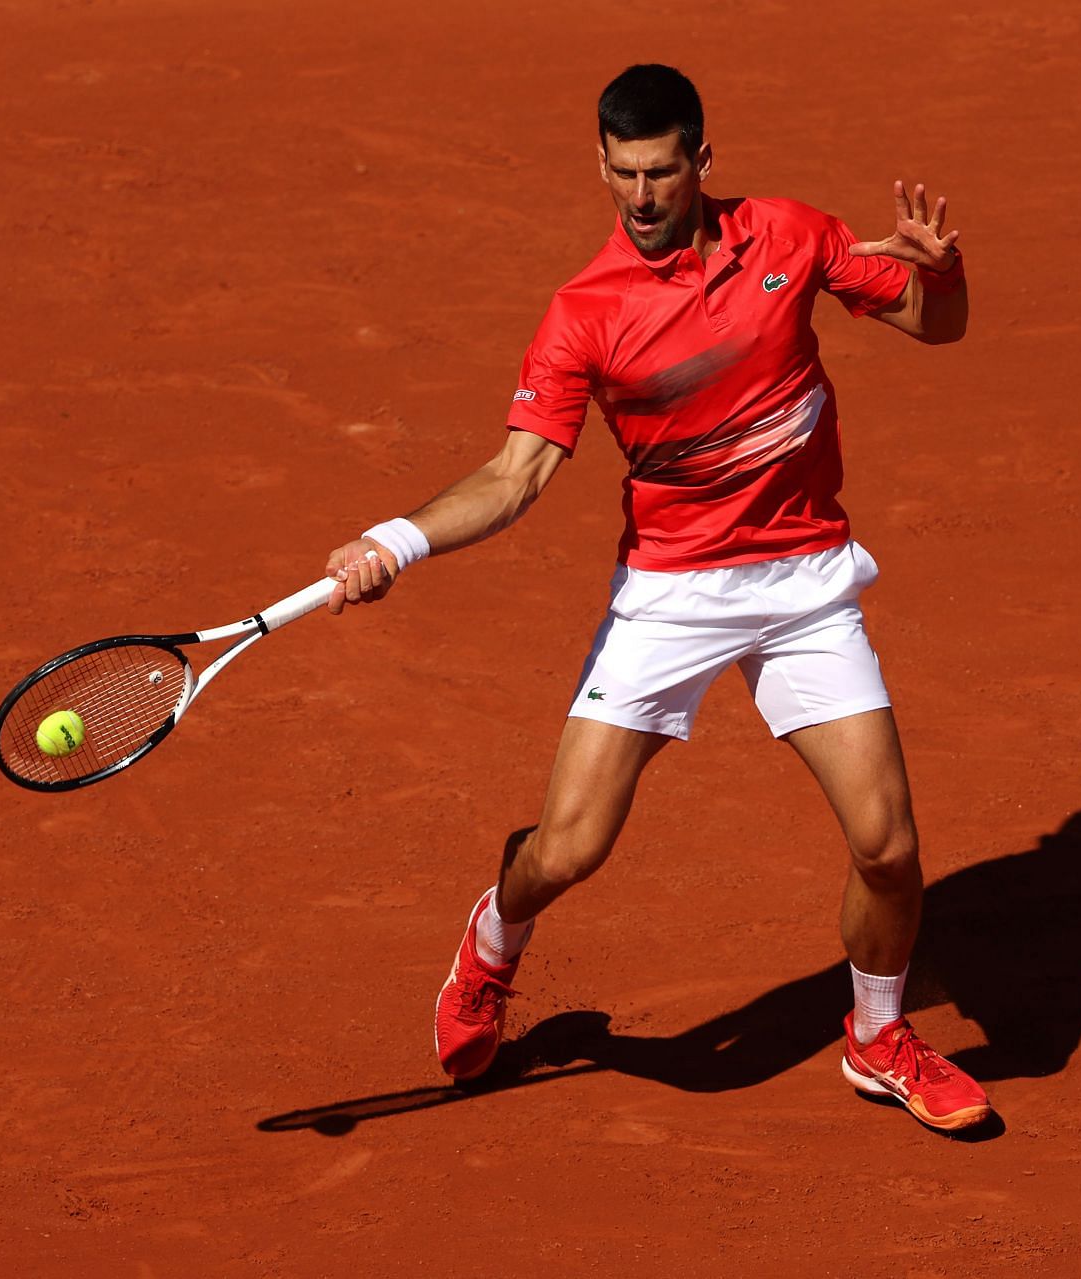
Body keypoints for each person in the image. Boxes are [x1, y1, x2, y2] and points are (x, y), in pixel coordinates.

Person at [322, 64, 989, 1132]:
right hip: (670, 593)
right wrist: (393, 543)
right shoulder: (585, 312)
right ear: (602, 164)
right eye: (623, 174)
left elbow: (934, 324)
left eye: (662, 173)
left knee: (891, 849)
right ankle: (494, 936)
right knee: (567, 850)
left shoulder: (790, 236)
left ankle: (877, 1036)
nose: (641, 197)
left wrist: (944, 276)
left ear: (703, 162)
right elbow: (515, 476)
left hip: (803, 580)